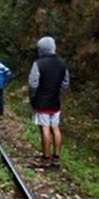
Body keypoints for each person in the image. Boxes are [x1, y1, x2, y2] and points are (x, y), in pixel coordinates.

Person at [28, 36, 70, 167]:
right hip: (55, 101)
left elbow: (33, 83)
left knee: (44, 128)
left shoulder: (38, 63)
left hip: (41, 102)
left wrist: (32, 96)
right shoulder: (62, 64)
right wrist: (56, 91)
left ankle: (45, 158)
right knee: (55, 128)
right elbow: (65, 84)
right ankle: (56, 157)